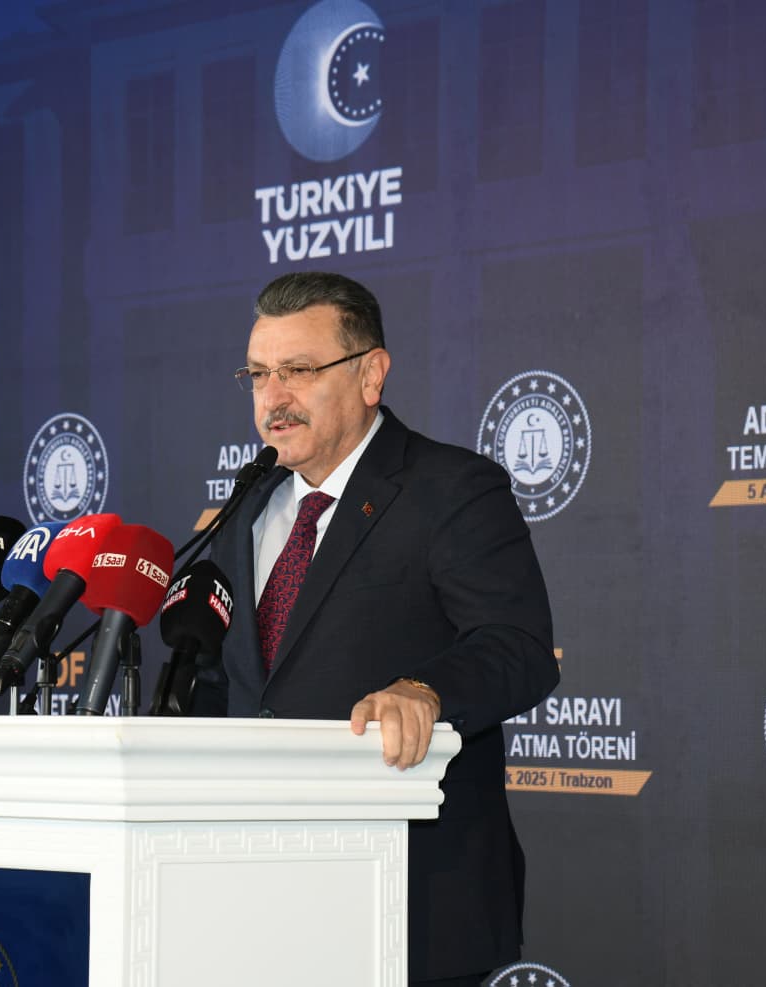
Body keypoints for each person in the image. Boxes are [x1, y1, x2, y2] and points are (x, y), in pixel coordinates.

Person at [192, 271, 560, 987]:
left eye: (299, 370)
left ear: (370, 374)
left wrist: (426, 689)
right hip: (255, 893)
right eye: (259, 374)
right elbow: (224, 682)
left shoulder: (450, 489)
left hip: (409, 893)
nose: (274, 396)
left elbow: (517, 646)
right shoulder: (246, 508)